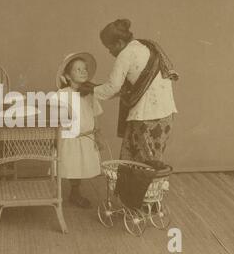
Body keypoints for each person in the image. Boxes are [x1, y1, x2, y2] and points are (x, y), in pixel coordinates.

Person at [79, 19, 178, 163]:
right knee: (148, 159)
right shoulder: (144, 46)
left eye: (109, 47)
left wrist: (92, 89)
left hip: (146, 116)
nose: (109, 52)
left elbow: (113, 88)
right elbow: (126, 88)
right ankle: (145, 185)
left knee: (143, 163)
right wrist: (95, 87)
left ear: (119, 43)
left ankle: (142, 186)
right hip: (165, 115)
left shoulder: (125, 54)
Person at [55, 52, 103, 208]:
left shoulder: (90, 94)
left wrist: (98, 135)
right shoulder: (62, 94)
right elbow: (57, 119)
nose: (83, 72)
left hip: (86, 137)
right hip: (70, 138)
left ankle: (75, 192)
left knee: (81, 165)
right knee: (71, 165)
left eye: (85, 69)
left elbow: (95, 115)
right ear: (67, 76)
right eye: (78, 69)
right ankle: (68, 193)